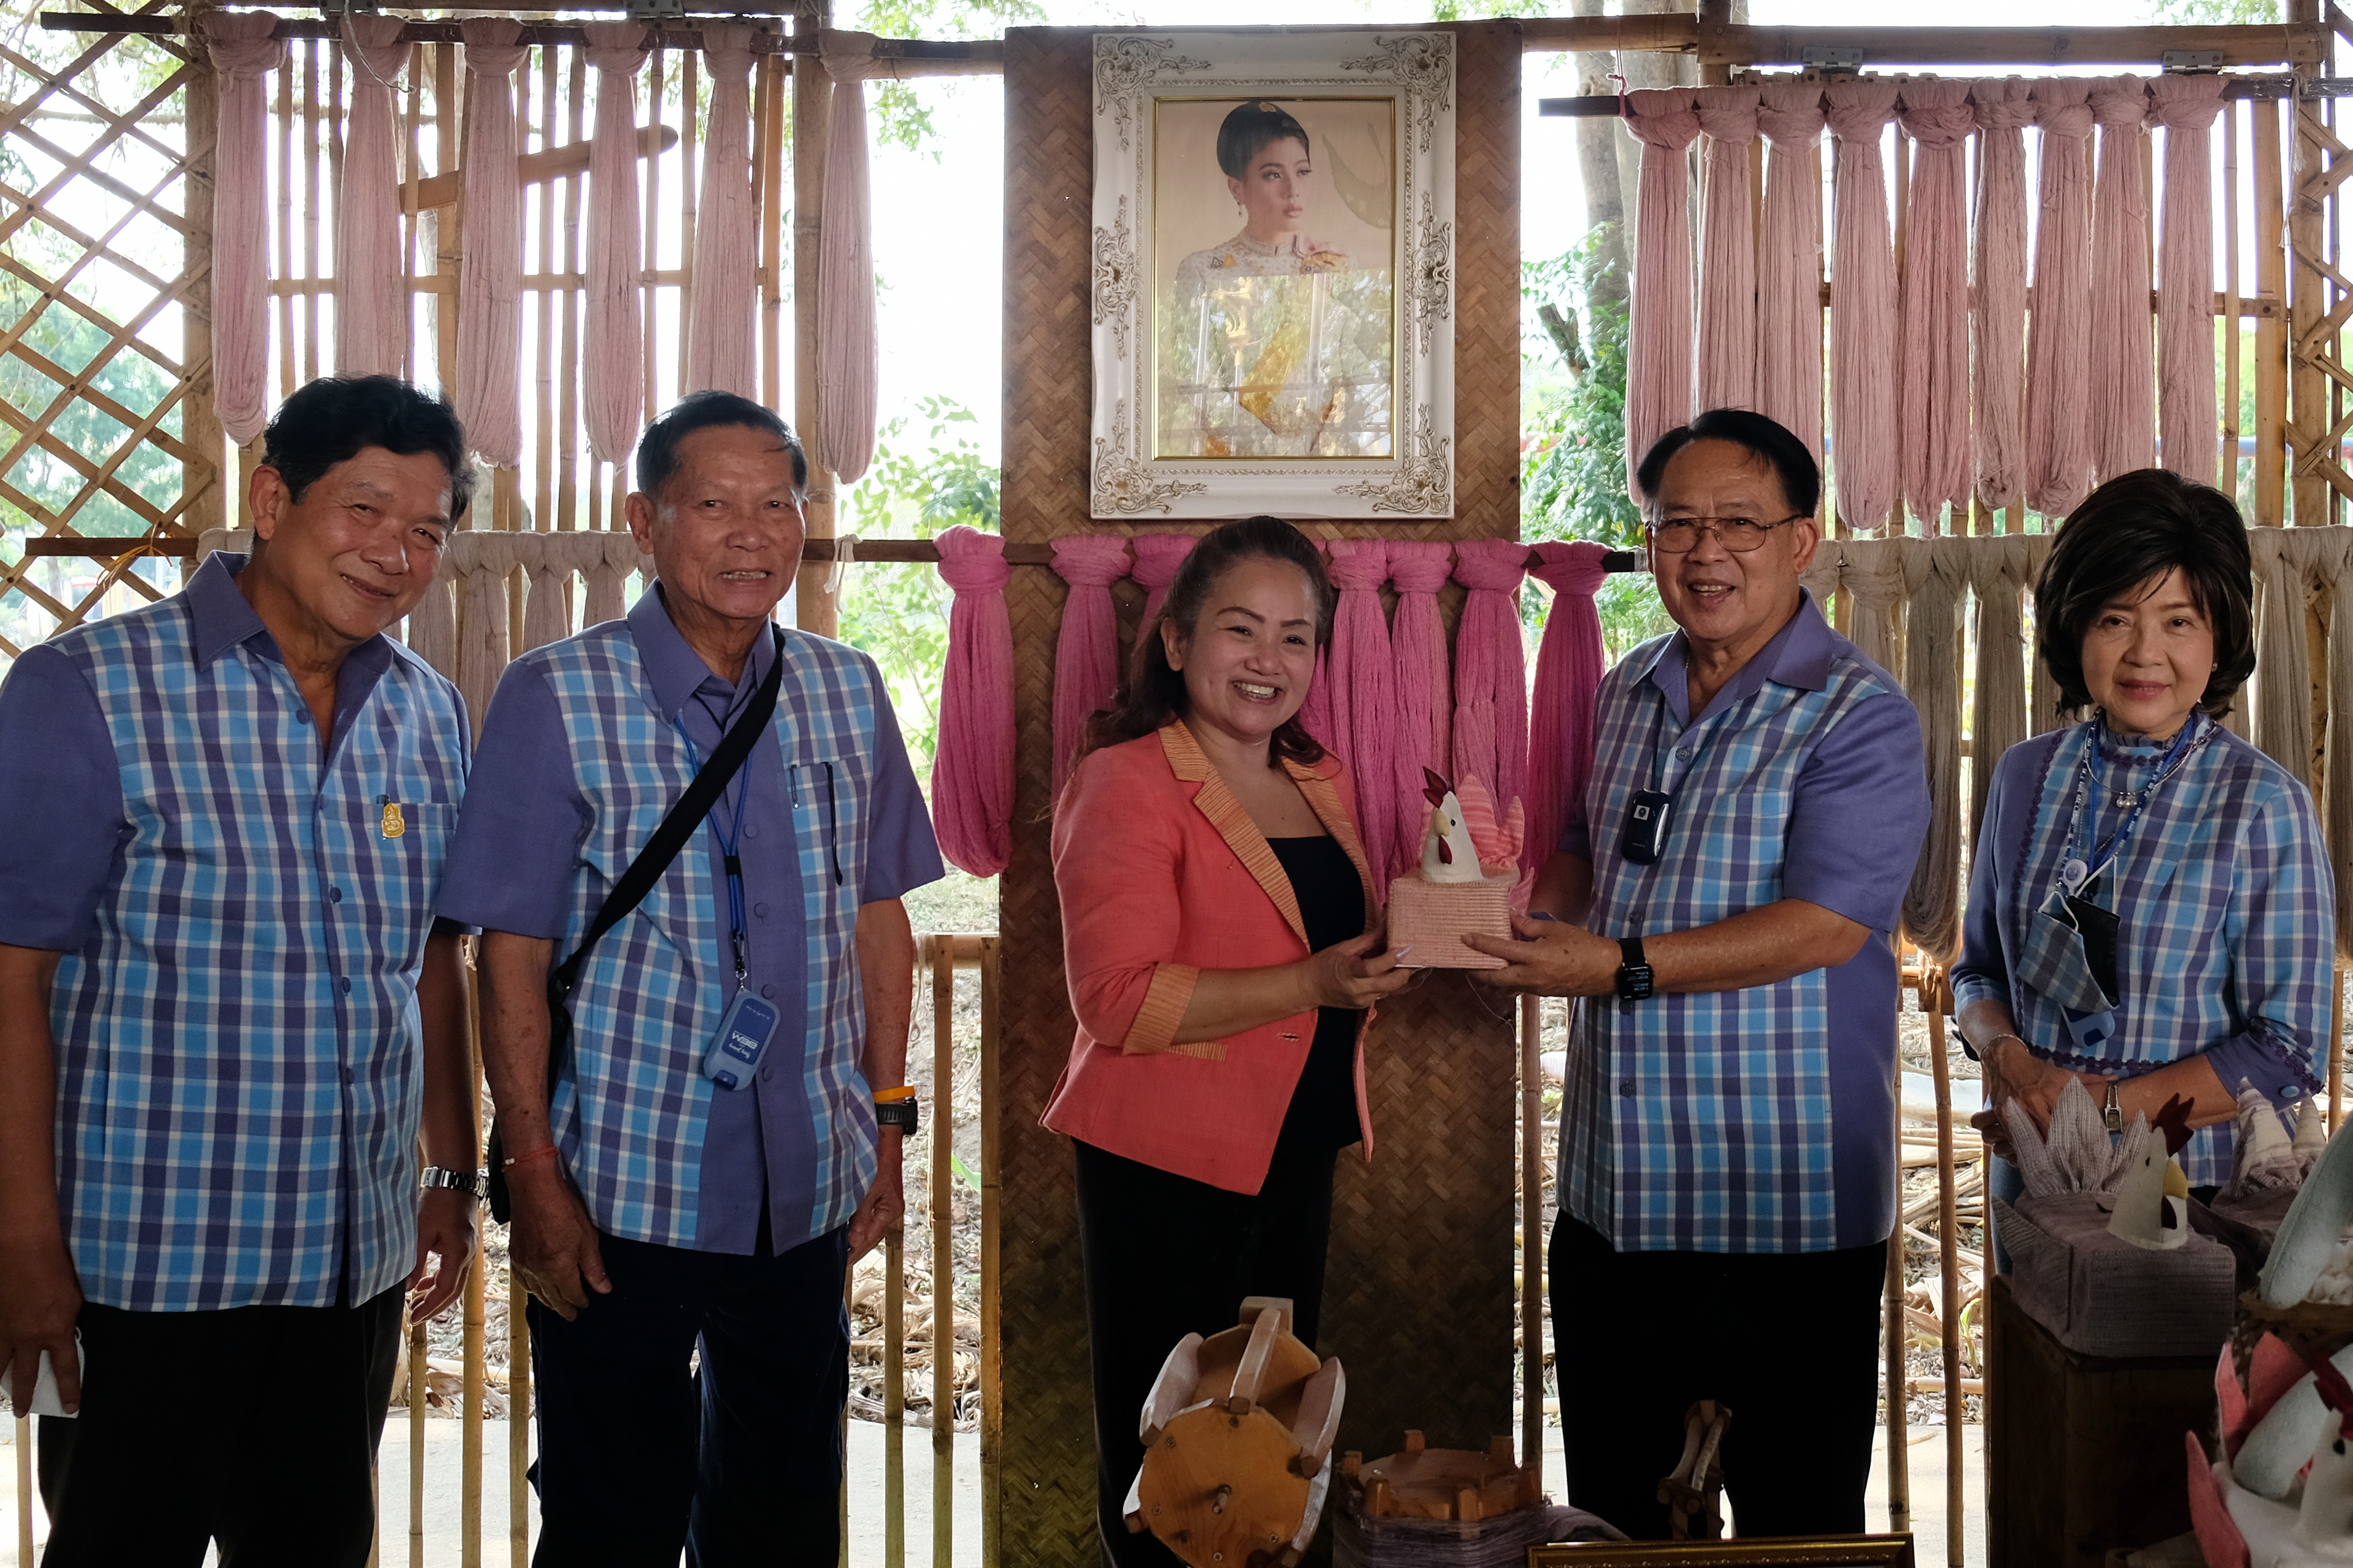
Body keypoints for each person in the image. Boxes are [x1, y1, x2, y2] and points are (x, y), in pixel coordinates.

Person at [441, 391, 942, 1567]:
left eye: (779, 504)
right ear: (644, 521)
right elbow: (505, 954)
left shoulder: (844, 686)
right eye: (713, 504)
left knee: (781, 1509)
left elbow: (880, 920)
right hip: (620, 1182)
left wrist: (884, 1126)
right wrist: (531, 1174)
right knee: (612, 1510)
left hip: (804, 1184)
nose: (753, 534)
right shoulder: (553, 696)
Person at [0, 375, 481, 1566]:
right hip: (141, 1266)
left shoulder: (425, 712)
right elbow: (8, 978)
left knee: (315, 1545)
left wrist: (448, 1169)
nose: (393, 553)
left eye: (426, 529)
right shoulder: (88, 690)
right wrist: (20, 1239)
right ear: (270, 499)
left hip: (347, 1262)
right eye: (364, 510)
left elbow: (428, 959)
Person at [1469, 409, 1931, 1538]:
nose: (1704, 552)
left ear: (1802, 541)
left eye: (1739, 523)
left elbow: (1826, 926)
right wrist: (1517, 921)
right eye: (1676, 524)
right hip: (1618, 1190)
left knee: (1794, 1519)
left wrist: (1613, 966)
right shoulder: (1629, 690)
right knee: (1623, 1513)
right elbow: (1587, 854)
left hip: (1785, 1199)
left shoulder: (1856, 715)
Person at [1044, 515, 1413, 1566]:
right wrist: (1310, 978)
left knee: (1275, 1435)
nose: (1269, 660)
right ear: (1175, 641)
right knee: (1174, 1452)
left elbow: (1317, 945)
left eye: (1297, 637)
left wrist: (1413, 942)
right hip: (1167, 1161)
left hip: (1295, 1144)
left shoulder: (1313, 776)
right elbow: (1114, 1000)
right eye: (1241, 630)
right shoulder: (1126, 781)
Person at [1954, 469, 2331, 1205]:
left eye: (2178, 620)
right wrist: (2009, 1060)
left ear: (2219, 635)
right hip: (2030, 1172)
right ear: (2075, 625)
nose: (2143, 652)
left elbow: (2289, 1046)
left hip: (2194, 1189)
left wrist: (2102, 1109)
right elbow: (1977, 973)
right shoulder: (2023, 775)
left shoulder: (2262, 804)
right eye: (2114, 618)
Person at [1159, 101, 1393, 460]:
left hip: (1329, 461)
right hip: (1237, 460)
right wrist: (1273, 450)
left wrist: (1326, 452)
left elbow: (1365, 372)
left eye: (1302, 172)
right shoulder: (1203, 270)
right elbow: (1198, 386)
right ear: (1238, 189)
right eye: (1273, 174)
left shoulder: (1339, 264)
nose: (1292, 190)